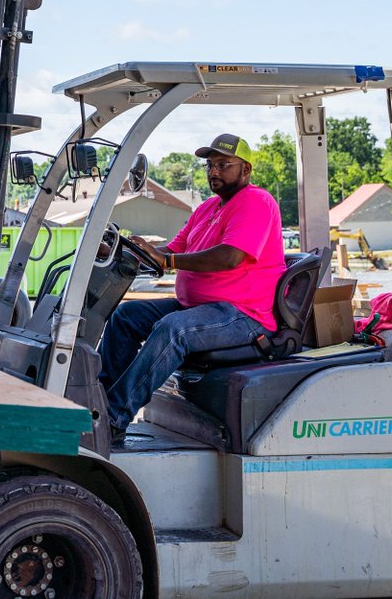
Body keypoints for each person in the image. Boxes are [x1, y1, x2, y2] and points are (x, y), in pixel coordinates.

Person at [98, 134, 285, 443]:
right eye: (210, 165)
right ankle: (101, 403)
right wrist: (123, 251)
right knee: (125, 316)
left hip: (243, 314)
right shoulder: (207, 209)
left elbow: (230, 256)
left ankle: (113, 418)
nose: (214, 171)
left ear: (246, 170)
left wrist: (168, 259)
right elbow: (168, 252)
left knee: (174, 330)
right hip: (200, 308)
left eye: (224, 165)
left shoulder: (256, 202)